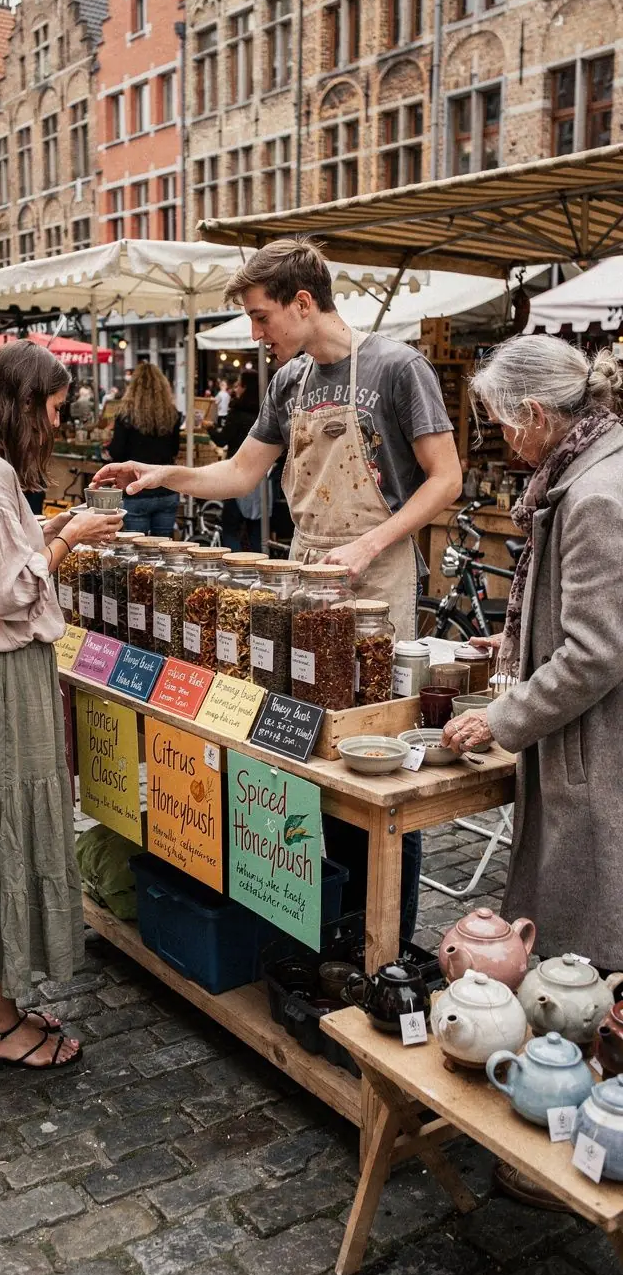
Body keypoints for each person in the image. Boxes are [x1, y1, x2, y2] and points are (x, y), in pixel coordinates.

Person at [93, 237, 462, 938]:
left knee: (379, 767)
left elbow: (447, 478)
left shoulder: (395, 367)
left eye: (263, 319)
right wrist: (162, 472)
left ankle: (386, 935)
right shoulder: (290, 383)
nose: (257, 336)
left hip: (377, 584)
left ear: (302, 302)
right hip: (305, 578)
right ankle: (330, 922)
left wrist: (372, 542)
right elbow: (239, 474)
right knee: (315, 757)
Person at [442, 333, 623, 1209]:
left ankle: (582, 1139)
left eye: (501, 426)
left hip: (599, 746)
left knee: (588, 945)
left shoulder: (592, 493)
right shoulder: (588, 468)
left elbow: (595, 651)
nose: (500, 443)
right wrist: (512, 643)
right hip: (588, 735)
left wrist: (504, 713)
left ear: (541, 417)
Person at [0, 342, 122, 1069]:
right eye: (53, 408)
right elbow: (8, 592)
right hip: (3, 678)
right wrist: (68, 537)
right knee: (7, 827)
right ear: (24, 403)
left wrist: (42, 531)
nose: (54, 423)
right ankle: (0, 1023)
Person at [105, 362, 182, 536]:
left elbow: (116, 452)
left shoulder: (125, 416)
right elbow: (174, 451)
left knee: (135, 552)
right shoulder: (173, 415)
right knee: (164, 551)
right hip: (166, 488)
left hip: (136, 490)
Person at [211, 371, 262, 551]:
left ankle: (236, 568)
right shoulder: (264, 412)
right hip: (261, 474)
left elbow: (222, 439)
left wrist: (210, 428)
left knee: (231, 525)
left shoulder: (238, 413)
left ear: (246, 388)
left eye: (239, 384)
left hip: (237, 472)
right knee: (257, 527)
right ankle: (258, 566)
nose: (235, 388)